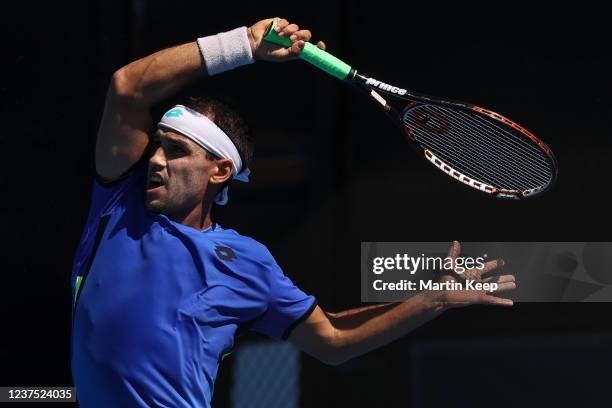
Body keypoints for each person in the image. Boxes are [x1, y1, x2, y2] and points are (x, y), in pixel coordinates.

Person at [70, 17, 516, 407]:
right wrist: (243, 43)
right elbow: (127, 87)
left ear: (220, 170)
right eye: (156, 147)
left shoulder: (246, 262)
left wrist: (430, 300)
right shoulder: (120, 200)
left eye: (175, 150)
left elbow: (333, 341)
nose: (154, 160)